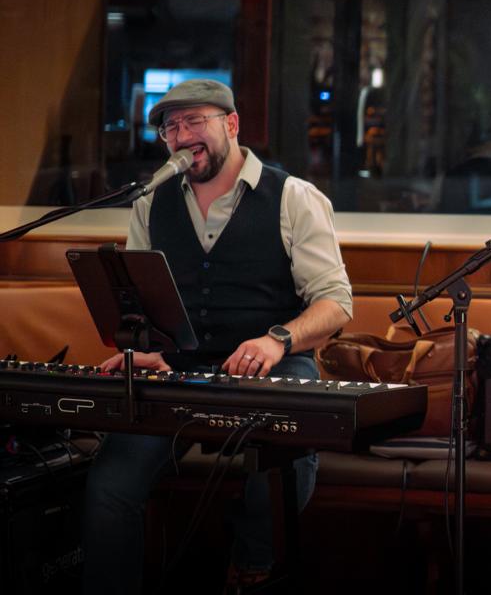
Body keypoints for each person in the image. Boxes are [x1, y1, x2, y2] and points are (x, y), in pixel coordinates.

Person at [82, 79, 353, 594]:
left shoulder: (294, 197)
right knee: (110, 482)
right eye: (171, 127)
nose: (182, 136)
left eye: (194, 121)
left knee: (288, 452)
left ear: (231, 124)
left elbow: (336, 302)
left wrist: (277, 339)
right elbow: (139, 302)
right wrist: (147, 349)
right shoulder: (149, 203)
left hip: (273, 365)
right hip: (179, 370)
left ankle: (251, 568)